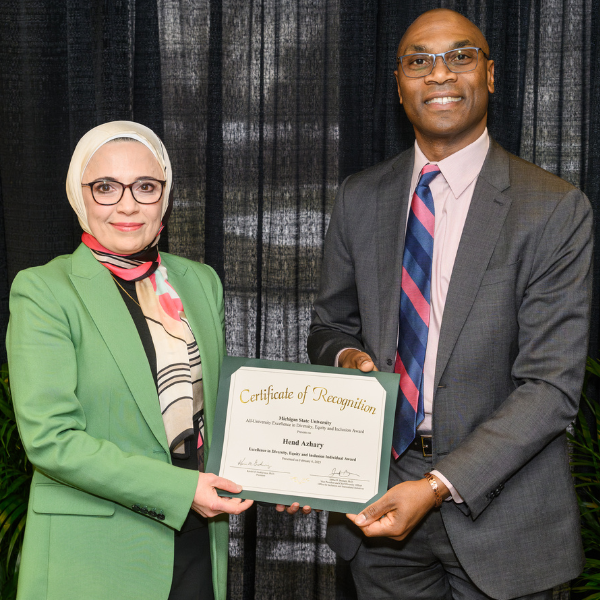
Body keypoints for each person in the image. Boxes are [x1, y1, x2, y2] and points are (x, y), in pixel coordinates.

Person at [307, 9, 592, 600]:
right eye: (419, 61)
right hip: (380, 504)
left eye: (460, 57)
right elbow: (329, 327)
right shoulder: (360, 199)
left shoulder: (554, 209)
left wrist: (438, 484)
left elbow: (550, 388)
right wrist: (348, 360)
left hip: (506, 514)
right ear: (399, 81)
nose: (439, 74)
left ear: (489, 75)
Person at [6, 121, 253, 600]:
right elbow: (52, 441)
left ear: (164, 195)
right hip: (97, 550)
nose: (127, 204)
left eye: (145, 186)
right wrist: (182, 491)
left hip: (200, 537)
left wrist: (280, 474)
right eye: (105, 187)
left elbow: (219, 412)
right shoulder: (43, 291)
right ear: (79, 196)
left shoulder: (199, 281)